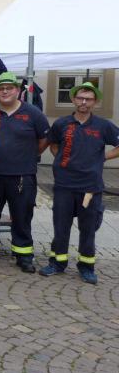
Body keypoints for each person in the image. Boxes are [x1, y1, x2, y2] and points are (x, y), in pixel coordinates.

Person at [42, 82, 119, 284]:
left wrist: (102, 158)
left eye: (88, 99)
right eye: (80, 98)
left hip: (89, 188)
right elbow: (53, 145)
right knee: (61, 227)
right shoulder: (61, 123)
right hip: (64, 185)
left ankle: (86, 267)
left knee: (88, 229)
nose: (84, 102)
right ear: (74, 100)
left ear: (95, 102)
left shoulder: (103, 125)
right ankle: (57, 263)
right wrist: (62, 162)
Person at [0, 72, 50, 273]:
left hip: (22, 175)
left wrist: (29, 155)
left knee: (22, 216)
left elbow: (44, 140)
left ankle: (23, 255)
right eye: (1, 88)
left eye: (9, 88)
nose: (5, 91)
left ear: (17, 90)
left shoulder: (33, 113)